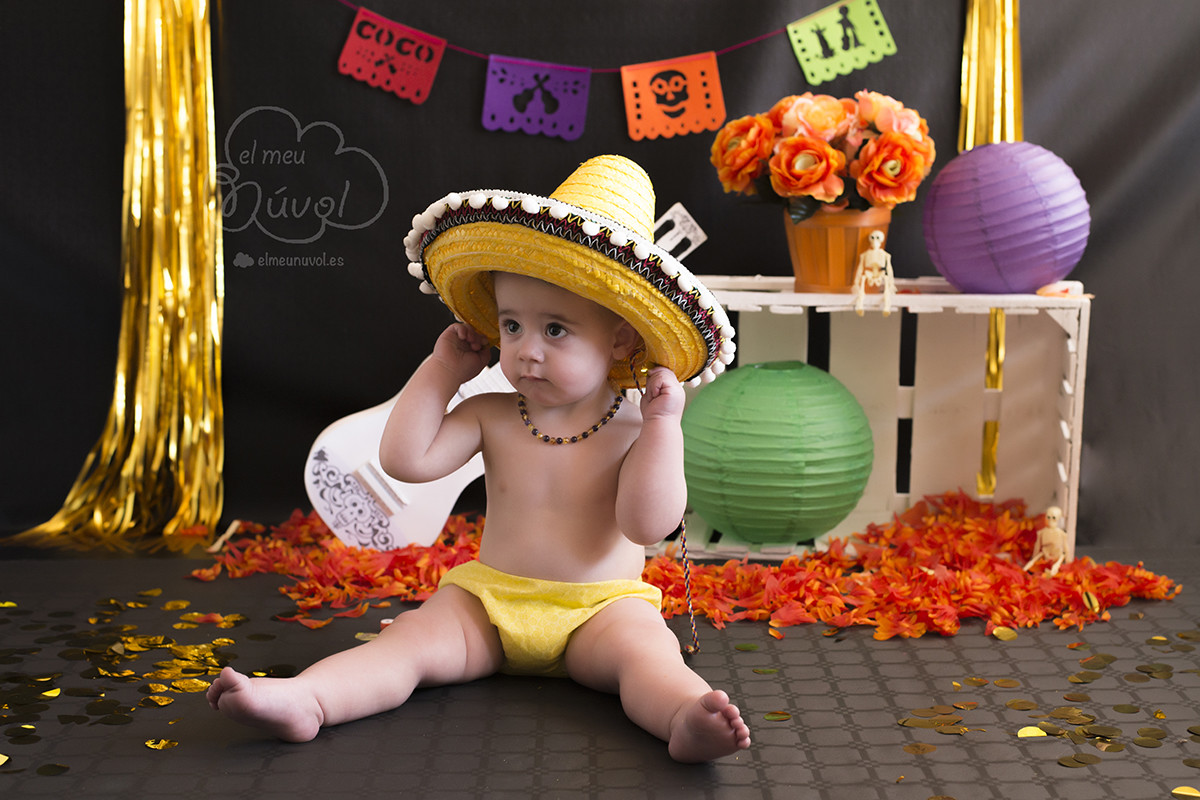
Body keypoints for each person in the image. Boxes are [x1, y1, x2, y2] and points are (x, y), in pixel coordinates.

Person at [207, 155, 749, 762]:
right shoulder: (492, 411)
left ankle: (682, 717)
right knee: (407, 643)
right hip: (487, 604)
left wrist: (663, 428)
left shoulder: (633, 426)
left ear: (621, 338)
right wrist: (442, 371)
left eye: (556, 330)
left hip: (601, 609)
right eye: (512, 325)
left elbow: (648, 526)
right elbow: (405, 459)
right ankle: (310, 698)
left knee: (647, 657)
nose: (526, 352)